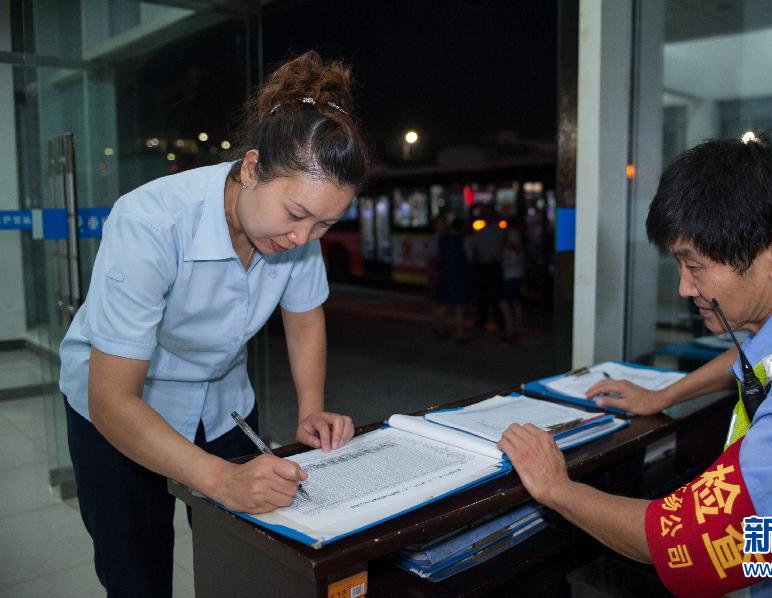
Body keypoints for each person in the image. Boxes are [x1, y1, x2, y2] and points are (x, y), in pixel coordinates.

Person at [499, 139, 772, 597]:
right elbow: (770, 349)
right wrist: (664, 397)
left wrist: (554, 487)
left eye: (696, 266)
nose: (685, 287)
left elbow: (683, 542)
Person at [59, 51, 368, 597]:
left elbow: (303, 318)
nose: (303, 238)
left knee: (241, 555)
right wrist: (221, 480)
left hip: (221, 399)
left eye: (325, 224)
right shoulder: (151, 222)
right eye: (296, 215)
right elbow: (112, 399)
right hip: (123, 406)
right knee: (137, 570)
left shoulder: (298, 233)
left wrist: (311, 407)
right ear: (251, 169)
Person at [435, 217, 472, 342]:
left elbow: (438, 256)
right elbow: (469, 256)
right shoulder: (463, 240)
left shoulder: (443, 239)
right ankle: (460, 335)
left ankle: (441, 330)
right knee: (459, 306)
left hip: (445, 275)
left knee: (444, 304)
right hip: (459, 275)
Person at [469, 207, 506, 330]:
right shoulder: (483, 231)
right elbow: (474, 249)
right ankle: (486, 319)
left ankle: (498, 319)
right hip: (485, 266)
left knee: (493, 295)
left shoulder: (497, 230)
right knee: (484, 294)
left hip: (492, 265)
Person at [499, 216, 525, 341]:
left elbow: (514, 255)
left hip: (511, 274)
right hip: (516, 273)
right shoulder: (516, 236)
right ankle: (516, 329)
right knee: (515, 302)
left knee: (504, 302)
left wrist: (505, 261)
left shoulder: (512, 238)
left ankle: (510, 330)